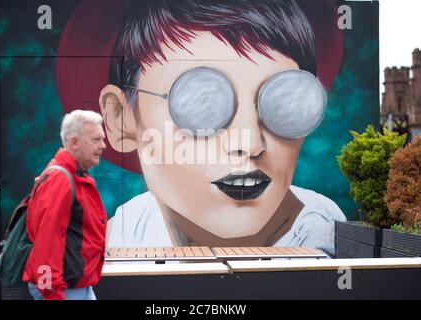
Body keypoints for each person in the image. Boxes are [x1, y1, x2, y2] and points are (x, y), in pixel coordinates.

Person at [56, 0, 346, 257]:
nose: (250, 143)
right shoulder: (127, 230)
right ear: (121, 117)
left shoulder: (322, 236)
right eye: (200, 103)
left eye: (285, 103)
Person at [22, 110, 107, 300]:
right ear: (74, 142)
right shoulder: (60, 181)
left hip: (78, 287)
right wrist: (52, 294)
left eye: (102, 139)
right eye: (96, 140)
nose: (103, 146)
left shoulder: (75, 176)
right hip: (62, 290)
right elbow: (46, 244)